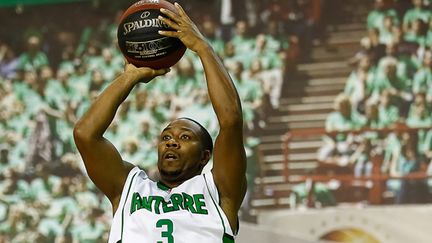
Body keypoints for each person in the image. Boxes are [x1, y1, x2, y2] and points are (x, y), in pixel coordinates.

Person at [73, 3, 246, 243]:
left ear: (205, 157)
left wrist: (202, 48)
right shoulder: (129, 186)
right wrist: (129, 77)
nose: (172, 142)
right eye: (166, 137)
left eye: (185, 137)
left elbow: (231, 120)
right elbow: (85, 134)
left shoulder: (218, 189)